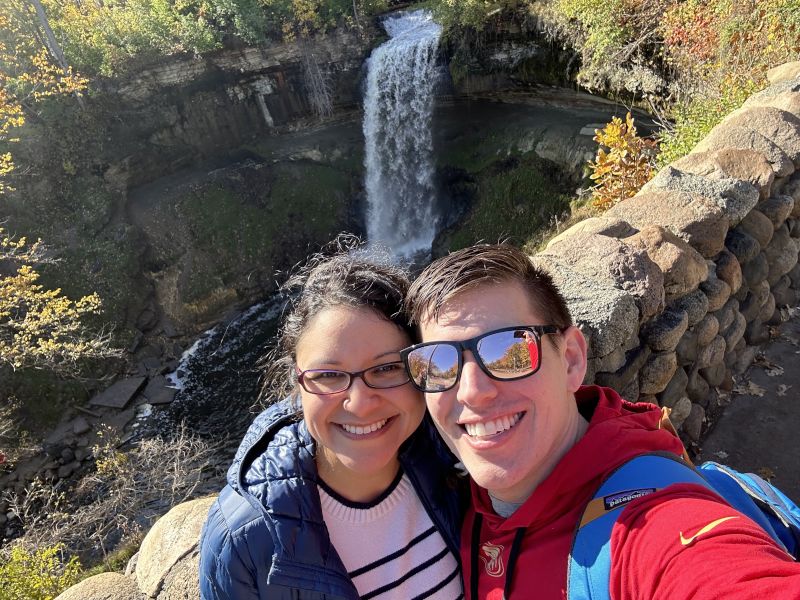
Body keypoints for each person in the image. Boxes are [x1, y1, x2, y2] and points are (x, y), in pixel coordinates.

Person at [400, 243, 800, 600]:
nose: (471, 391)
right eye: (436, 364)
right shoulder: (459, 499)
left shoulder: (649, 527)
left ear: (572, 359)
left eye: (510, 351)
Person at [199, 238, 464, 600]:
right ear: (297, 380)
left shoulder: (458, 459)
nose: (359, 404)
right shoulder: (244, 538)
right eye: (328, 375)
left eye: (387, 368)